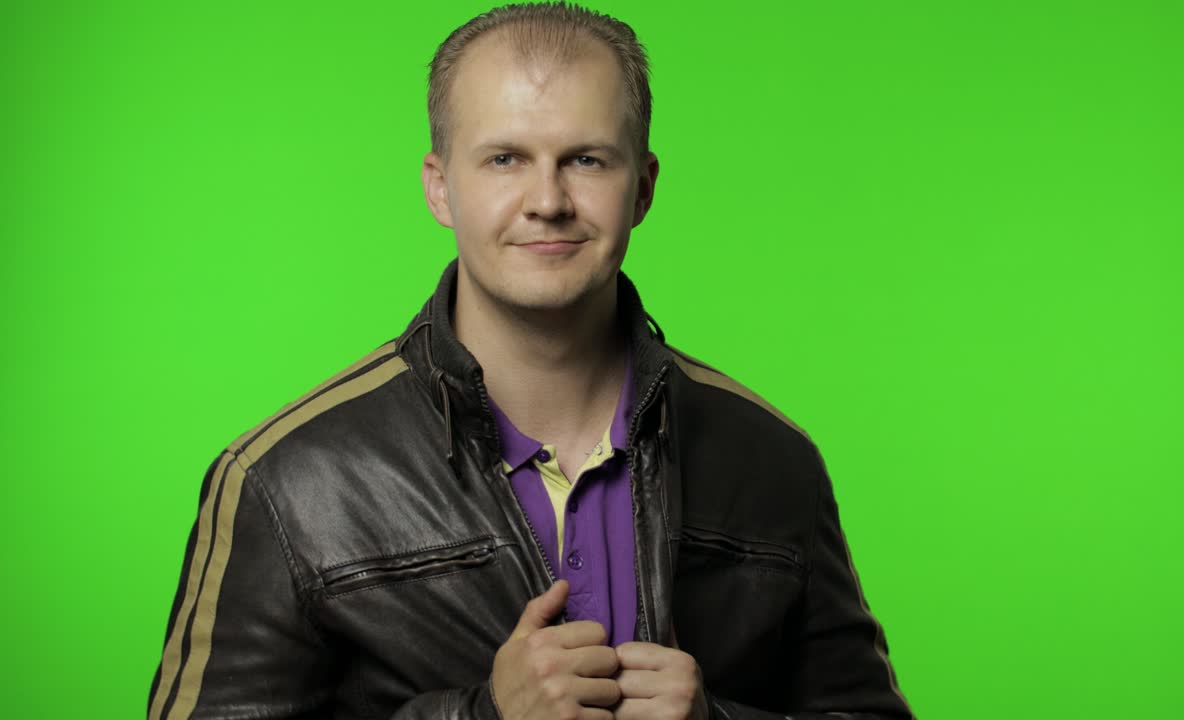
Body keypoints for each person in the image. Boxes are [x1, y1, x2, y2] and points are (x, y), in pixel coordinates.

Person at [147, 2, 914, 719]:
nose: (547, 200)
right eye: (505, 158)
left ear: (641, 188)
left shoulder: (772, 460)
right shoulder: (286, 482)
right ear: (441, 188)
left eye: (585, 159)